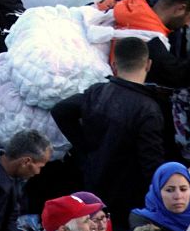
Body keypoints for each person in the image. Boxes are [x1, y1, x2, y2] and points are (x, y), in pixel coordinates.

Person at [52, 38, 168, 221]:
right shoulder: (148, 109)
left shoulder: (97, 92)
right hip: (130, 199)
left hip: (94, 188)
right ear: (148, 64)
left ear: (114, 64)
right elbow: (151, 165)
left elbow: (60, 110)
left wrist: (85, 149)